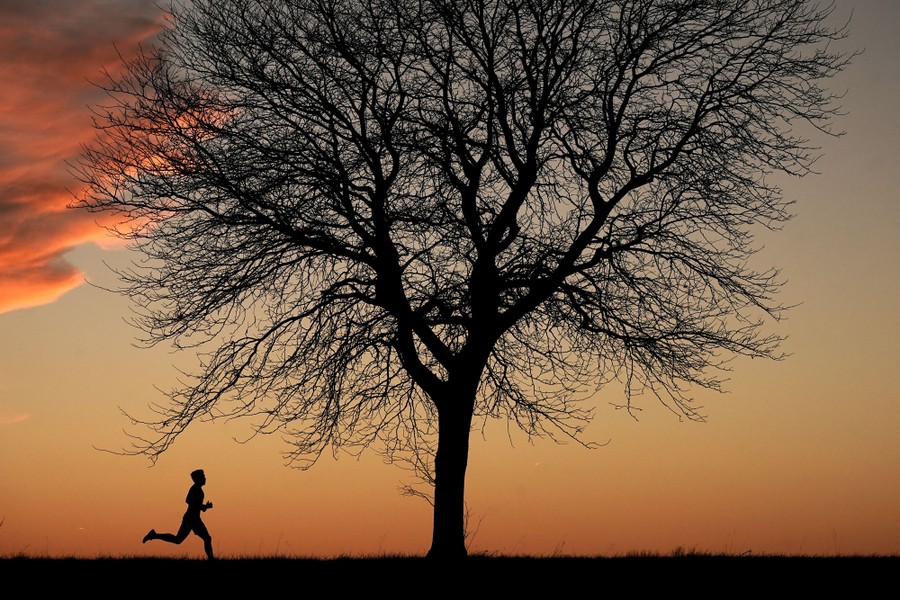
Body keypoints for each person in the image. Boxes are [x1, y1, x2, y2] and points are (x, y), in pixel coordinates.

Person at [143, 469, 215, 559]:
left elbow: (196, 505)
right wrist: (203, 506)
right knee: (205, 538)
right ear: (198, 479)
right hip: (191, 519)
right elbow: (188, 501)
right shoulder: (195, 489)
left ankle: (154, 535)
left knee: (179, 539)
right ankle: (211, 559)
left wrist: (205, 507)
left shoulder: (198, 489)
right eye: (203, 477)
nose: (205, 478)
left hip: (194, 518)